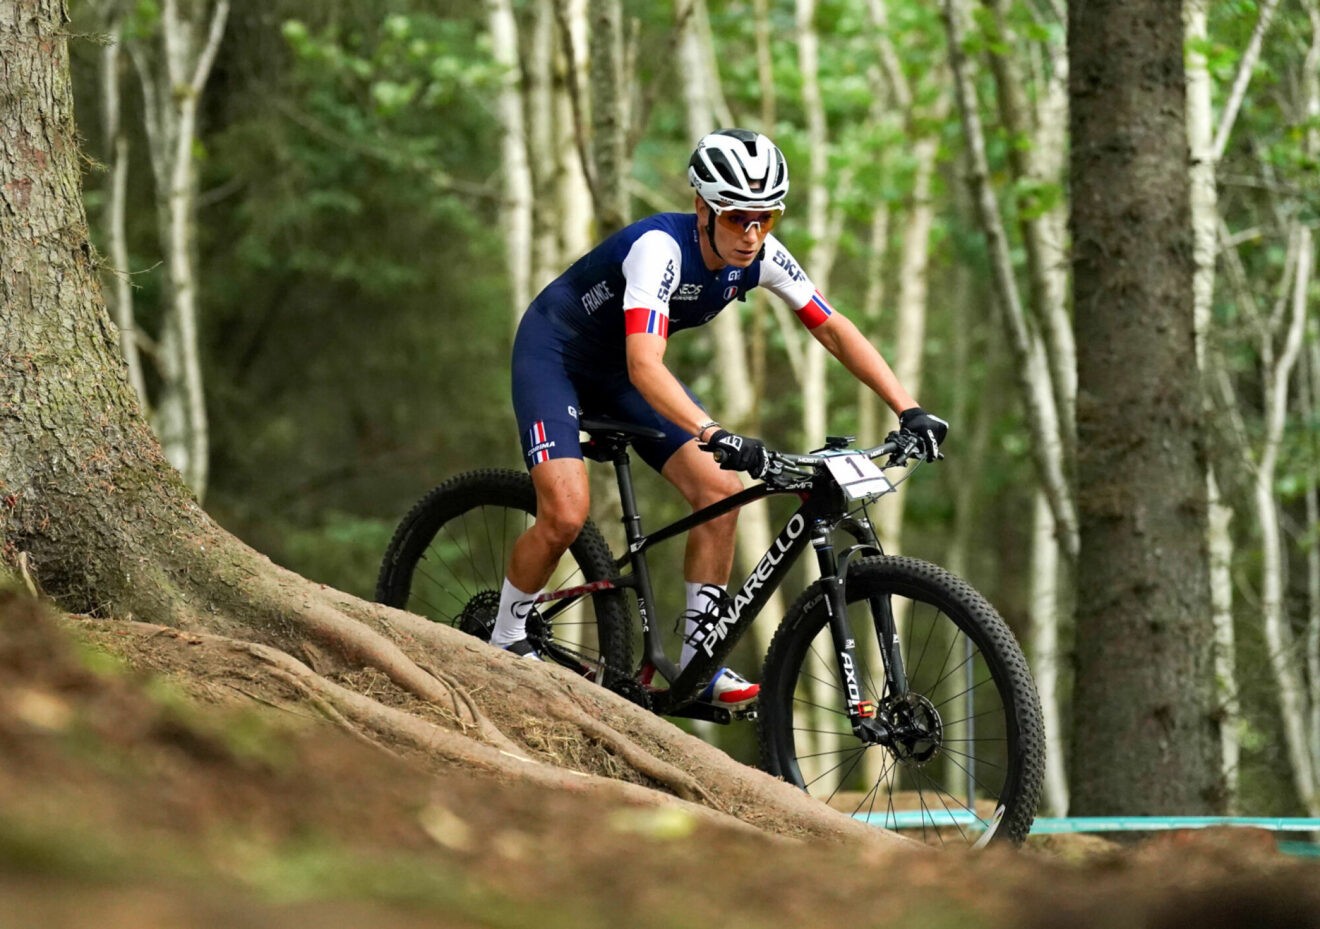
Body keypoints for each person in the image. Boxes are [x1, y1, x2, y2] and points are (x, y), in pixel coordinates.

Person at [490, 128, 948, 708]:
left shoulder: (759, 256)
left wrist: (907, 408)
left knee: (718, 490)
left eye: (766, 218)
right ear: (703, 208)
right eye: (736, 218)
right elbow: (645, 363)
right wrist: (713, 432)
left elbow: (831, 326)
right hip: (554, 355)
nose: (750, 234)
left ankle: (696, 662)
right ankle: (503, 638)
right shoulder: (661, 248)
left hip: (620, 371)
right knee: (565, 512)